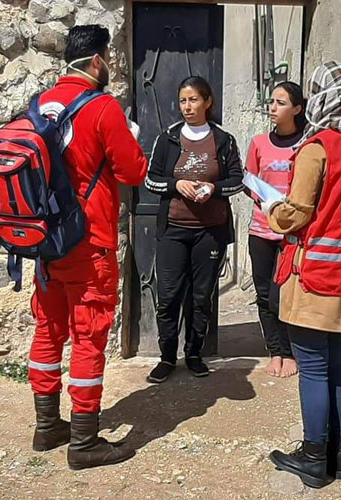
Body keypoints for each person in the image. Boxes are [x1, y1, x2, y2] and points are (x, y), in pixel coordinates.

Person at [26, 25, 148, 470]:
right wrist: (129, 136)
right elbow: (133, 172)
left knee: (48, 328)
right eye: (109, 58)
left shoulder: (39, 104)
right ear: (97, 61)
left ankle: (47, 426)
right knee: (88, 334)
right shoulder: (102, 107)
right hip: (89, 240)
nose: (110, 65)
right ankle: (84, 441)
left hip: (44, 243)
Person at [266, 62, 341, 488]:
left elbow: (297, 213)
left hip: (315, 275)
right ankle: (339, 455)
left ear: (322, 100)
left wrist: (270, 210)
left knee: (313, 368)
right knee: (337, 364)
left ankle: (315, 459)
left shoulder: (318, 147)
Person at [144, 76, 244, 383]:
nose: (187, 107)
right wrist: (177, 185)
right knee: (169, 295)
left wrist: (212, 189)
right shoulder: (168, 138)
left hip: (209, 232)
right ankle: (166, 357)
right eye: (183, 100)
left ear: (208, 101)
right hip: (173, 230)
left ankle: (194, 354)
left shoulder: (223, 140)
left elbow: (237, 180)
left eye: (194, 100)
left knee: (201, 297)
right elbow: (150, 180)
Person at [245, 81, 305, 378]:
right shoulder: (258, 143)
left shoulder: (307, 144)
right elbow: (249, 181)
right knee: (264, 293)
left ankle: (292, 352)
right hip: (261, 230)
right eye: (272, 101)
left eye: (281, 102)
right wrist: (267, 199)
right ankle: (275, 351)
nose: (273, 107)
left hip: (293, 234)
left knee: (288, 294)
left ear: (297, 108)